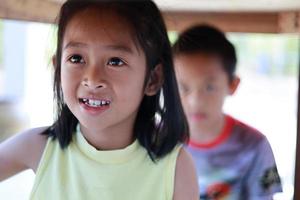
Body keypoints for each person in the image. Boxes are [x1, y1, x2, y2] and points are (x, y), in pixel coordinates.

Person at [0, 0, 199, 199]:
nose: (93, 80)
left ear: (152, 79)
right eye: (76, 58)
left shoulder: (176, 168)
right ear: (58, 68)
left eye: (115, 61)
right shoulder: (37, 147)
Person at [173, 24, 282, 200]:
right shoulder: (156, 141)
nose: (195, 101)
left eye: (209, 87)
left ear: (233, 84)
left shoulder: (255, 146)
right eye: (183, 87)